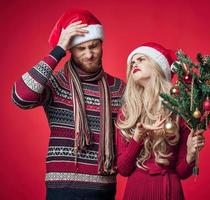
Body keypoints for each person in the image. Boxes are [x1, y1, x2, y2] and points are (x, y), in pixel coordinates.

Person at [12, 9, 125, 200]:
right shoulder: (57, 83)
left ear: (101, 44)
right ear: (70, 51)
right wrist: (58, 49)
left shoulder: (119, 88)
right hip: (62, 189)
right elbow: (21, 96)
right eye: (81, 48)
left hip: (104, 189)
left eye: (94, 46)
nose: (89, 54)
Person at [115, 42, 205, 200]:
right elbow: (123, 169)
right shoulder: (127, 112)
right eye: (132, 63)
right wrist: (138, 137)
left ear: (158, 66)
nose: (134, 64)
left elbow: (182, 172)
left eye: (141, 59)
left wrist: (191, 154)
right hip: (137, 190)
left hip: (169, 190)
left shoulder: (178, 109)